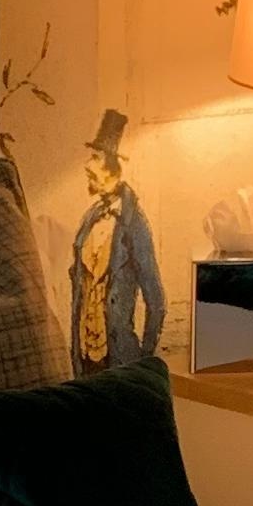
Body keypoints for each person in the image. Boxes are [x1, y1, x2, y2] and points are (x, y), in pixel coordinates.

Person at [67, 107, 166, 371]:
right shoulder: (89, 219)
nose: (87, 165)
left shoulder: (134, 224)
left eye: (95, 158)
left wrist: (144, 360)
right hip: (84, 360)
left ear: (113, 168)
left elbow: (156, 302)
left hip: (119, 360)